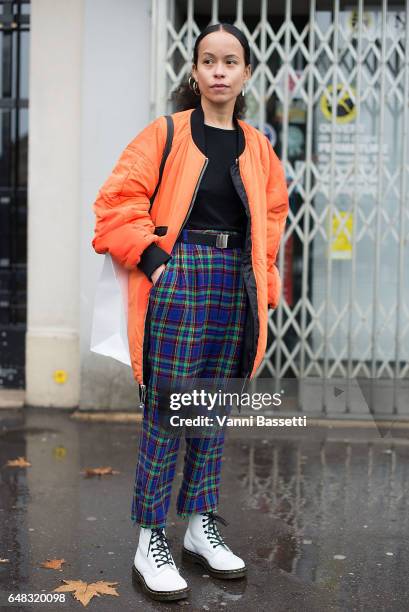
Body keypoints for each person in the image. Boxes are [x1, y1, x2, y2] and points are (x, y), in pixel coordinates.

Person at [91, 22, 289, 603]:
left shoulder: (258, 147)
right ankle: (150, 536)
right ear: (195, 72)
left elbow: (271, 222)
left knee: (213, 408)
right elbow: (115, 202)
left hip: (235, 285)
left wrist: (265, 287)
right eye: (209, 61)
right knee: (168, 407)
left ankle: (201, 526)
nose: (220, 70)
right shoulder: (167, 133)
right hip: (179, 278)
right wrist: (156, 261)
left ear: (246, 72)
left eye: (231, 61)